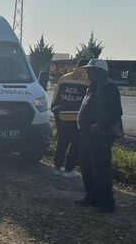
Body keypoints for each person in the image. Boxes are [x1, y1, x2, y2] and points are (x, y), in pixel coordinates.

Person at [76, 58, 123, 213]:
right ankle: (91, 197)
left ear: (100, 72)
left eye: (90, 70)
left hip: (100, 136)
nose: (87, 72)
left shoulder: (108, 87)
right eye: (87, 69)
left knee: (100, 169)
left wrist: (100, 126)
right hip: (87, 135)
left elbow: (116, 111)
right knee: (87, 167)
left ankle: (106, 203)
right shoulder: (93, 86)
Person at [50, 58, 89, 178]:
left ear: (76, 66)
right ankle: (68, 170)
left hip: (62, 117)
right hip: (78, 120)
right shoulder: (89, 81)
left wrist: (58, 116)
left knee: (62, 143)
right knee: (75, 145)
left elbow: (55, 101)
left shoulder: (63, 78)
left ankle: (56, 168)